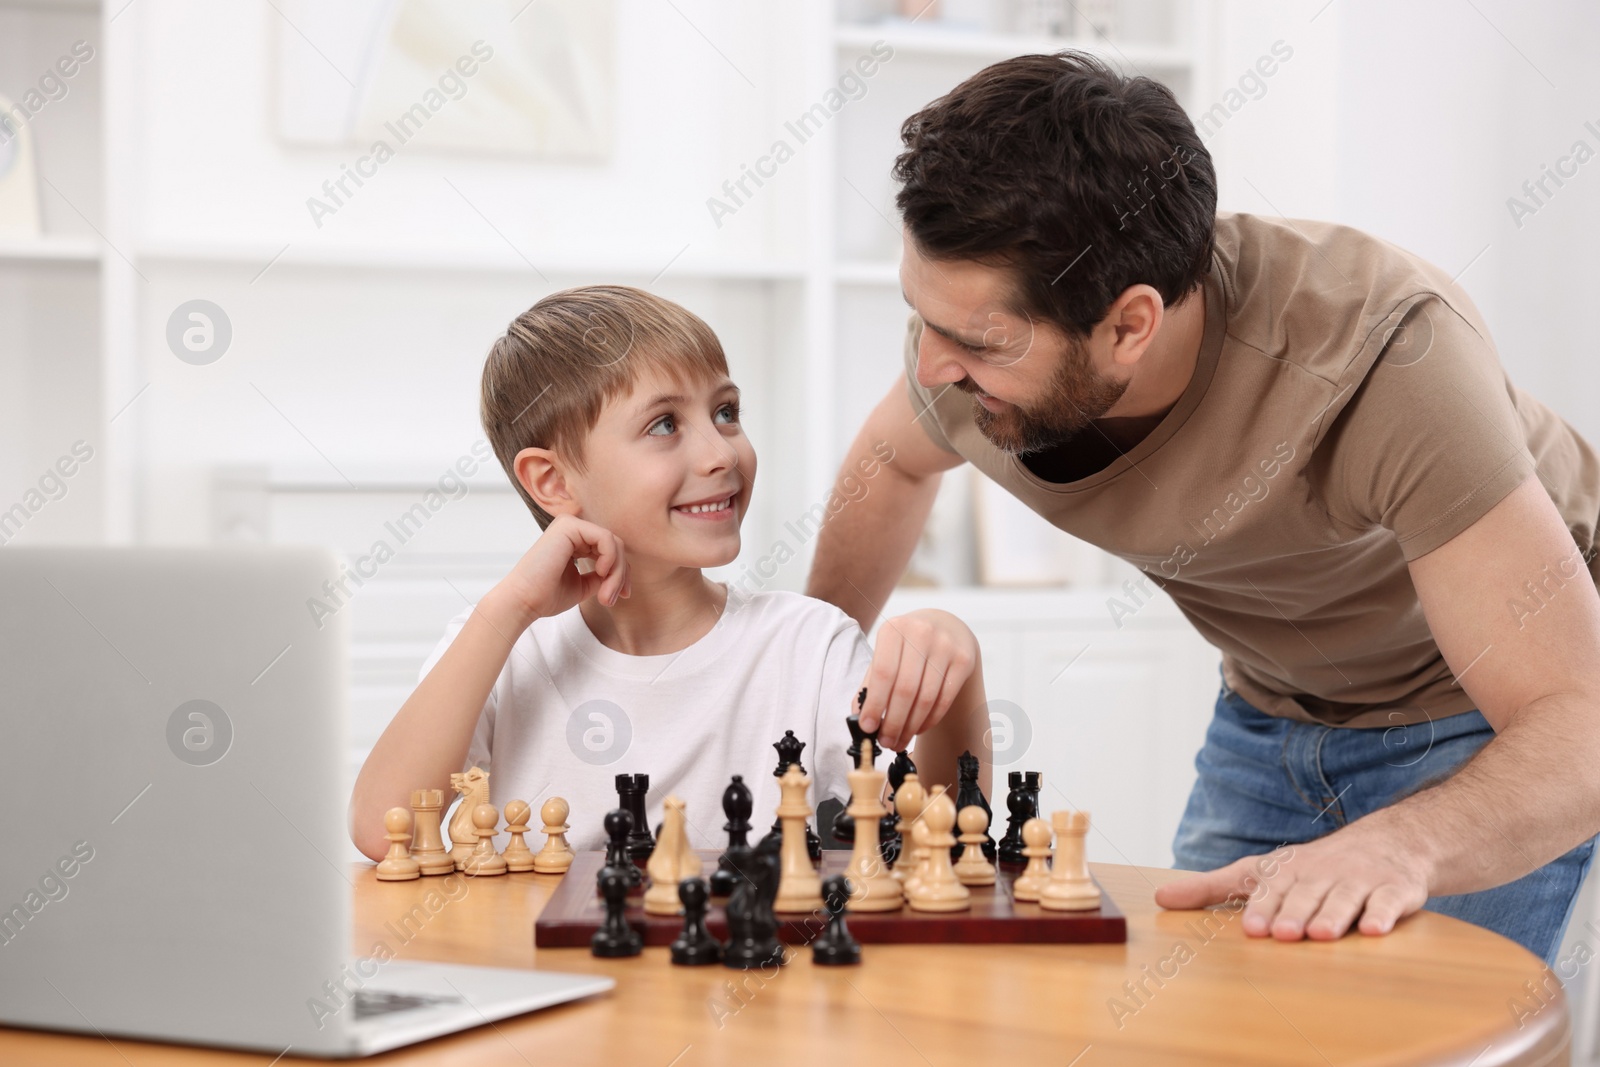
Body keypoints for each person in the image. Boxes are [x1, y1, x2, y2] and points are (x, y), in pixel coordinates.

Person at [809, 51, 1600, 965]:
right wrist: (817, 682)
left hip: (1493, 713)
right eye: (922, 316)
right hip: (1269, 706)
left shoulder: (1388, 364)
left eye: (976, 341)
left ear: (1129, 326)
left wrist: (1401, 841)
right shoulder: (969, 354)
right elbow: (888, 460)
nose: (933, 367)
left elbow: (1578, 725)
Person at [350, 285, 989, 858]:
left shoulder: (807, 646)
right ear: (553, 480)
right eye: (664, 425)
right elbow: (385, 830)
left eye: (726, 412)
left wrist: (957, 680)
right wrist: (509, 606)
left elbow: (940, 847)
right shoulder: (499, 648)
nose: (720, 453)